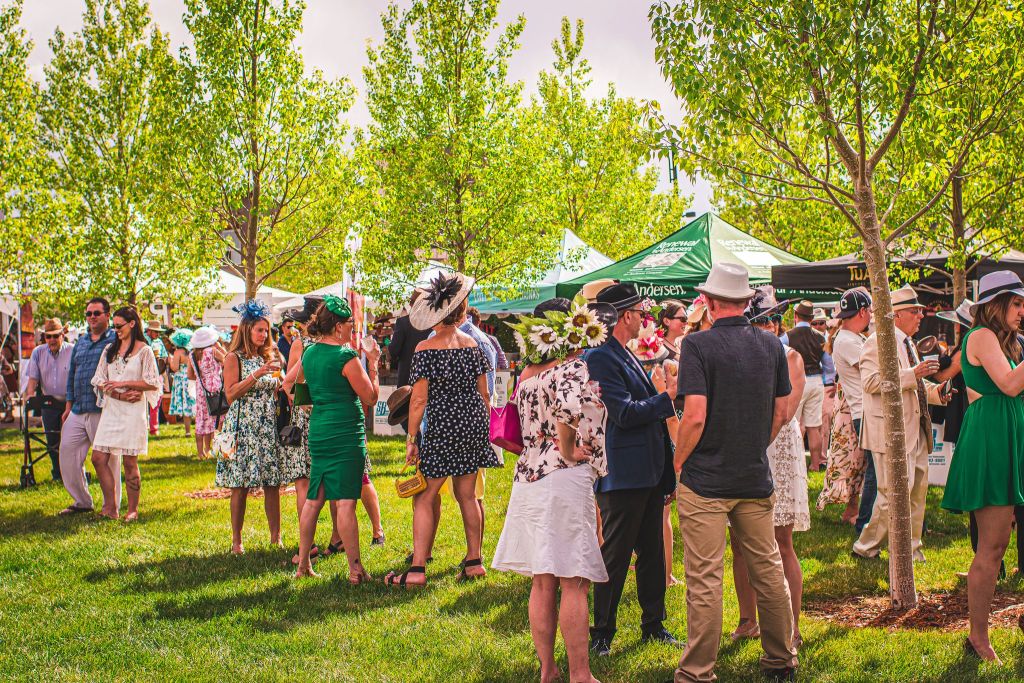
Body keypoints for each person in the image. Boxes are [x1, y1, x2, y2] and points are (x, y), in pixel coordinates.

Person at [672, 263, 798, 682]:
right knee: (769, 568)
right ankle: (781, 660)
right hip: (752, 474)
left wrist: (678, 459)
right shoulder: (770, 345)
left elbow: (694, 416)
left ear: (708, 303)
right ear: (745, 302)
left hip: (705, 478)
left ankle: (697, 673)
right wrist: (753, 443)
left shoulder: (697, 346)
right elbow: (782, 411)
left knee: (705, 579)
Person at [492, 298, 613, 683]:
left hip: (528, 478)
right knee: (573, 580)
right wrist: (568, 449)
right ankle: (581, 674)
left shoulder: (526, 373)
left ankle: (548, 670)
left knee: (542, 579)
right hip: (562, 474)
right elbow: (567, 412)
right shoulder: (571, 368)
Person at [385, 272, 499, 588]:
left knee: (424, 496)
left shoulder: (425, 348)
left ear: (435, 313)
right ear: (461, 312)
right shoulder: (474, 344)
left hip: (442, 427)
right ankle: (474, 561)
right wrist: (481, 427)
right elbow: (485, 394)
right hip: (472, 424)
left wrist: (411, 439)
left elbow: (418, 399)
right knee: (467, 495)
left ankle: (418, 569)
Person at [586, 282, 680, 656]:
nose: (646, 319)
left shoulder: (621, 352)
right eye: (641, 313)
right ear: (625, 316)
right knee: (616, 556)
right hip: (624, 475)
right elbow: (622, 414)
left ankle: (653, 624)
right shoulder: (601, 357)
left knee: (653, 555)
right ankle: (602, 633)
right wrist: (666, 398)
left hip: (647, 472)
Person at [941, 271, 1024, 663]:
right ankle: (978, 637)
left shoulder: (1002, 340)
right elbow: (1008, 385)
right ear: (997, 304)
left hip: (1005, 436)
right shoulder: (981, 336)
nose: (1022, 311)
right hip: (991, 441)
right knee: (991, 547)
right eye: (1017, 303)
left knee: (999, 544)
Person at [729, 287, 809, 649]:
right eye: (759, 321)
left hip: (776, 448)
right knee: (740, 542)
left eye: (771, 320)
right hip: (745, 447)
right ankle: (748, 619)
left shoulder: (791, 358)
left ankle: (791, 626)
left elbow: (785, 411)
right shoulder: (738, 356)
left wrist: (752, 442)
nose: (767, 326)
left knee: (781, 540)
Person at [852, 285, 948, 562]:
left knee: (917, 492)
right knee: (890, 494)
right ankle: (865, 547)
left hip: (914, 428)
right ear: (896, 316)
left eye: (919, 311)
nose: (921, 315)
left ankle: (911, 549)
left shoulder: (907, 342)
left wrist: (937, 393)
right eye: (914, 311)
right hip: (889, 431)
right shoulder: (876, 341)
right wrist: (913, 374)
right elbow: (870, 383)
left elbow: (913, 383)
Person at [295, 295, 381, 582]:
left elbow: (298, 386)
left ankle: (303, 564)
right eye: (349, 325)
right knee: (345, 502)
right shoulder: (345, 357)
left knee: (313, 499)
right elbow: (369, 396)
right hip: (345, 431)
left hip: (319, 430)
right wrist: (373, 363)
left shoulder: (309, 353)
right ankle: (355, 569)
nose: (352, 330)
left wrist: (313, 403)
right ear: (337, 327)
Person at [216, 300, 284, 555]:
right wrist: (258, 374)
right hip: (242, 424)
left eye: (266, 331)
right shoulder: (233, 358)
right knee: (240, 484)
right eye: (260, 330)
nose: (264, 335)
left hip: (267, 424)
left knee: (272, 482)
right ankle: (236, 540)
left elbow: (276, 385)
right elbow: (231, 394)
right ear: (247, 330)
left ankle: (276, 538)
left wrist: (280, 382)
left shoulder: (269, 356)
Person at [90, 307, 161, 521]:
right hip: (112, 410)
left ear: (132, 324)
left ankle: (132, 510)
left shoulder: (144, 351)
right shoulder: (109, 351)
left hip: (133, 412)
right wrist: (118, 393)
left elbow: (153, 382)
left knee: (130, 461)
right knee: (98, 457)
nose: (116, 330)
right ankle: (111, 507)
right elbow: (99, 379)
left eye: (119, 326)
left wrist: (125, 383)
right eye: (114, 326)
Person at [818, 288, 874, 528]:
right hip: (863, 411)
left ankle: (864, 518)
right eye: (870, 310)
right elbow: (875, 368)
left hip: (863, 410)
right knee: (875, 470)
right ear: (862, 311)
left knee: (868, 468)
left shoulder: (853, 338)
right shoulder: (847, 340)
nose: (872, 315)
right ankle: (866, 522)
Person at [59, 297, 118, 515]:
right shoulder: (81, 342)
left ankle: (112, 505)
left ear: (107, 315)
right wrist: (68, 405)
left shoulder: (115, 339)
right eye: (88, 314)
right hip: (77, 409)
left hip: (102, 409)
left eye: (96, 313)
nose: (92, 317)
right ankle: (82, 501)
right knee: (67, 454)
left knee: (107, 460)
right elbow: (72, 374)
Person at [24, 319, 73, 482]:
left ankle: (73, 473)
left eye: (55, 336)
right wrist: (30, 396)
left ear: (63, 335)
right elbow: (33, 379)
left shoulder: (72, 351)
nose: (51, 340)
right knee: (52, 440)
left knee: (70, 440)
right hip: (49, 403)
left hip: (69, 401)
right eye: (48, 336)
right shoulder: (38, 352)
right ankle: (57, 474)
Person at [786, 300, 827, 470]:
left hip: (797, 380)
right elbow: (828, 364)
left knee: (793, 424)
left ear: (796, 316)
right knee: (813, 426)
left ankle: (796, 464)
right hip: (817, 380)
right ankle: (816, 464)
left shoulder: (787, 336)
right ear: (811, 318)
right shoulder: (821, 337)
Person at [188, 326, 223, 460]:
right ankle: (214, 449)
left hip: (201, 389)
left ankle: (201, 452)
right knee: (217, 418)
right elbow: (227, 361)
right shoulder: (213, 351)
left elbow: (190, 375)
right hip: (215, 386)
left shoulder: (192, 355)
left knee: (202, 419)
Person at [388, 289, 432, 387]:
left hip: (406, 377)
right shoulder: (432, 323)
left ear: (411, 304)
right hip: (428, 377)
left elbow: (394, 350)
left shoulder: (403, 322)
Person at [167, 329, 195, 438]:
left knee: (184, 405)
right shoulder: (192, 352)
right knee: (191, 403)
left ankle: (188, 431)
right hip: (190, 378)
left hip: (180, 379)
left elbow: (175, 368)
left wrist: (170, 361)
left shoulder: (177, 352)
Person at [144, 320, 168, 436]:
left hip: (157, 373)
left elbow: (164, 357)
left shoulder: (159, 342)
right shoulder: (143, 340)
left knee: (156, 401)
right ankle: (144, 427)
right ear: (149, 331)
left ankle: (154, 428)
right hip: (143, 374)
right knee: (143, 402)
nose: (158, 334)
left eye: (159, 332)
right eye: (156, 332)